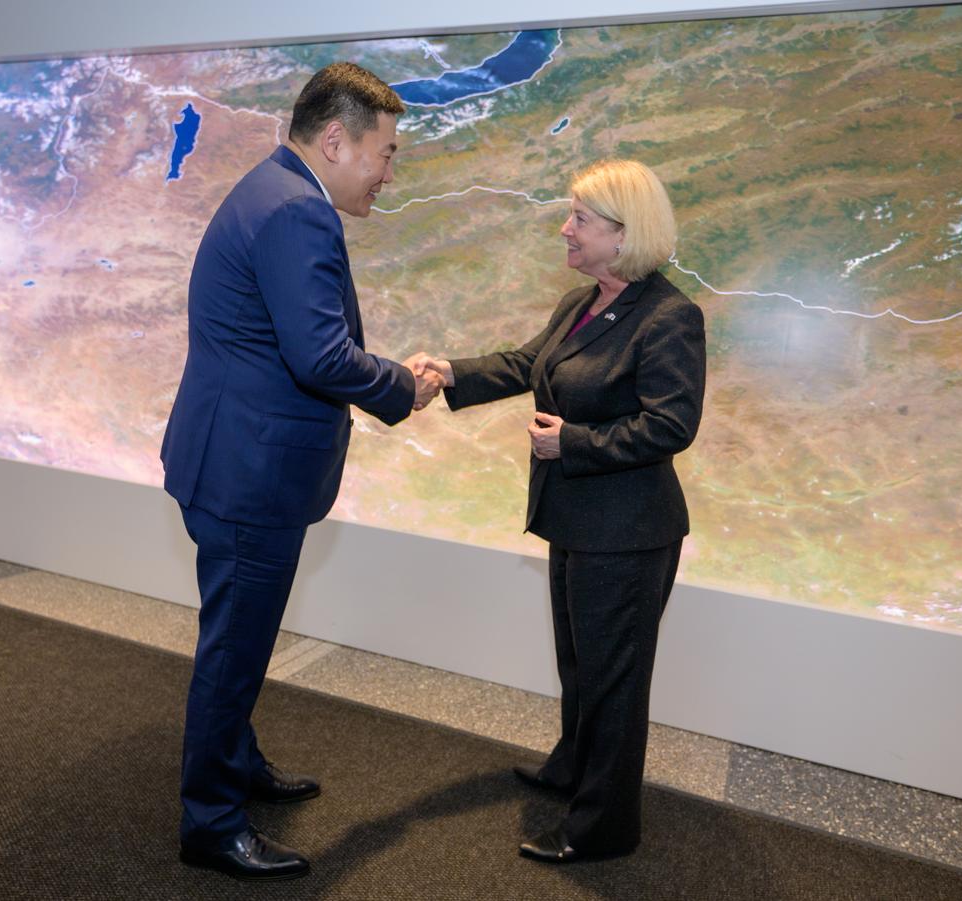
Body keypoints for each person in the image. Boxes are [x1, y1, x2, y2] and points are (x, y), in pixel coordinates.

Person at [159, 62, 443, 882]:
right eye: (385, 154)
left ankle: (236, 761)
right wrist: (405, 385)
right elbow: (319, 354)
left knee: (238, 635)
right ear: (333, 138)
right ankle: (211, 821)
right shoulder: (295, 213)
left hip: (229, 458)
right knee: (235, 649)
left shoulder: (272, 187)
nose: (389, 174)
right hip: (248, 474)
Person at [415, 159, 706, 863]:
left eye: (580, 219)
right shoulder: (582, 302)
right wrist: (451, 372)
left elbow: (672, 425)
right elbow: (529, 363)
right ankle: (573, 767)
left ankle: (602, 826)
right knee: (581, 662)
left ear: (622, 232)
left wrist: (570, 442)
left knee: (613, 677)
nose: (565, 229)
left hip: (628, 533)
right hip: (578, 521)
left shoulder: (670, 317)